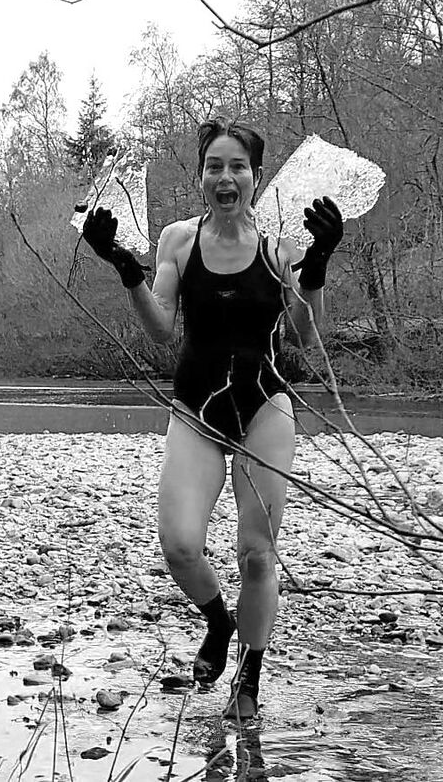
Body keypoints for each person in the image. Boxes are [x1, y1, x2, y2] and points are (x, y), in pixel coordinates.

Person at [82, 118, 343, 719]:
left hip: (265, 406)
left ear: (256, 176)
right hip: (196, 406)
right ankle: (219, 621)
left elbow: (304, 337)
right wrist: (125, 267)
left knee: (257, 553)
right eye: (214, 166)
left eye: (238, 167)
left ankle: (248, 677)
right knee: (177, 544)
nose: (226, 178)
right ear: (201, 175)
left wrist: (319, 261)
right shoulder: (177, 240)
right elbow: (160, 327)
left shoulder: (281, 246)